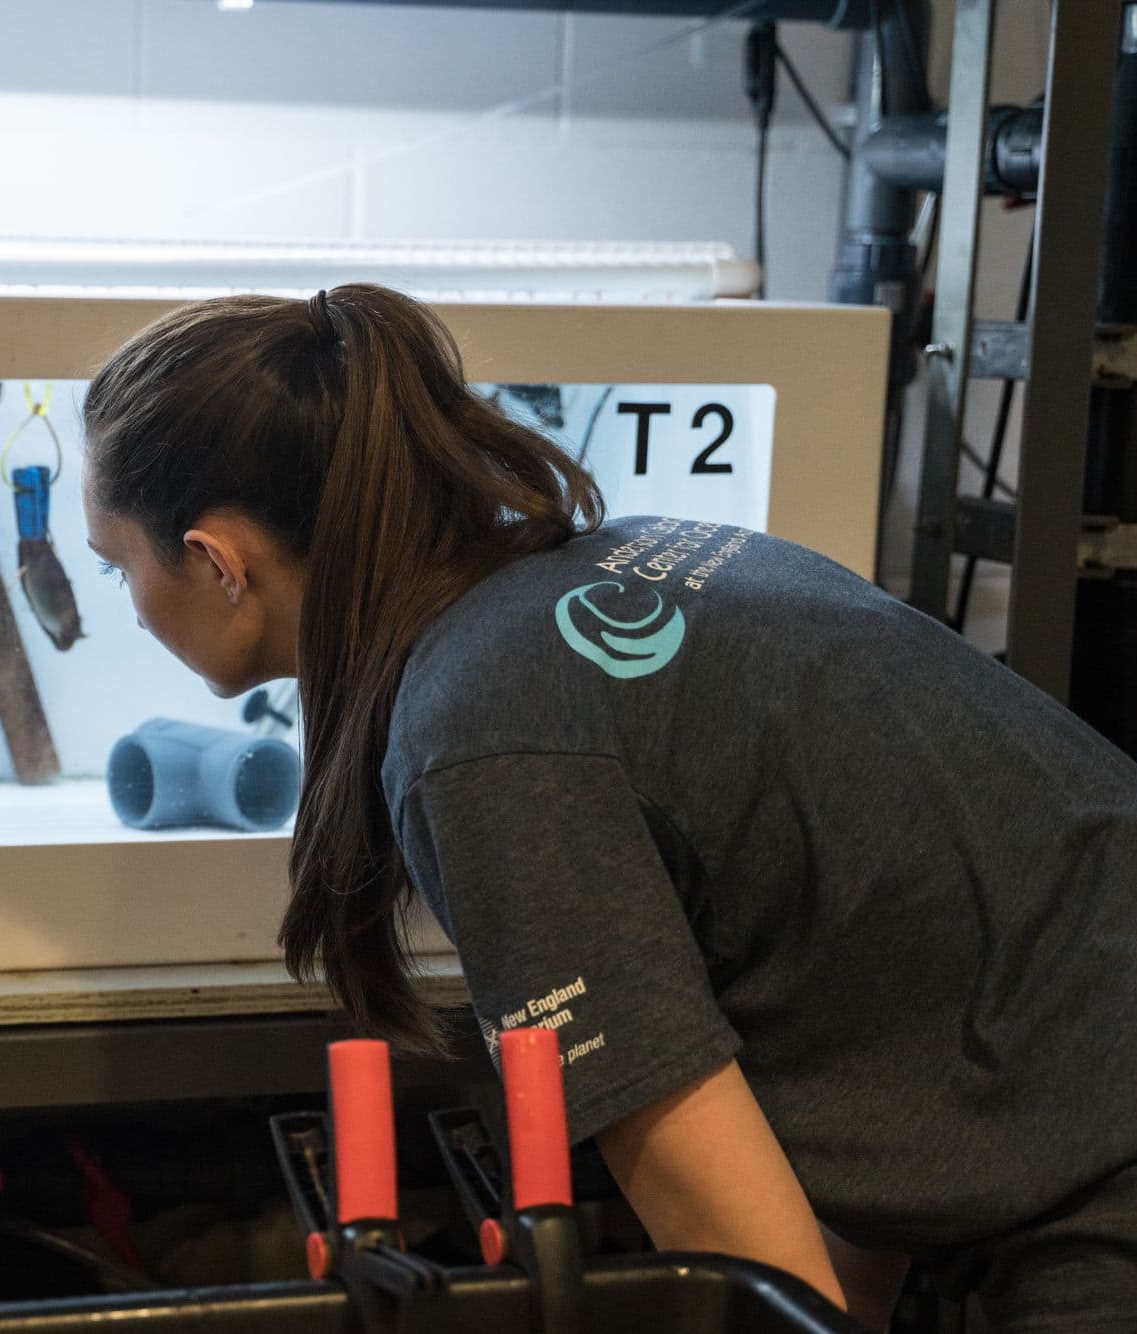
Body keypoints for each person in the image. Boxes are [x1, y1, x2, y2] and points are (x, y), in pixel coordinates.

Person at [80, 283, 1137, 1332]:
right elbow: (870, 972)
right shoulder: (629, 561)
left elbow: (742, 1268)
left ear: (217, 560)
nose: (129, 607)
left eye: (118, 566)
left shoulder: (479, 737)